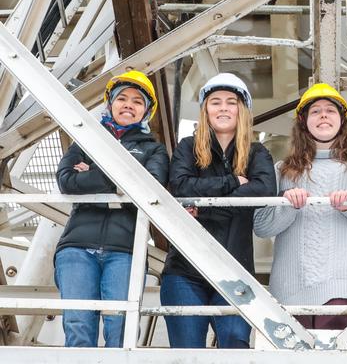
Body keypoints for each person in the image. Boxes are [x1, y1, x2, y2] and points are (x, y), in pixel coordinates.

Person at [254, 83, 347, 330]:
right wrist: (289, 206)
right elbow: (261, 226)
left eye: (330, 110)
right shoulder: (281, 170)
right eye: (316, 111)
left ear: (342, 121)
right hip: (291, 286)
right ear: (303, 121)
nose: (323, 115)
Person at [160, 73, 276, 348]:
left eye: (231, 102)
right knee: (188, 353)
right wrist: (233, 181)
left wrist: (208, 206)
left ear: (242, 110)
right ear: (205, 110)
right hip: (185, 271)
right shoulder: (187, 148)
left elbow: (264, 190)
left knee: (236, 344)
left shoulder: (257, 152)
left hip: (235, 269)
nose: (223, 108)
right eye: (215, 102)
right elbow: (180, 187)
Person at [55, 71, 169, 347]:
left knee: (122, 328)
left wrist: (92, 172)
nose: (129, 104)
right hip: (76, 248)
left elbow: (149, 187)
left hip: (125, 249)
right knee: (78, 325)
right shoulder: (86, 140)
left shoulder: (155, 151)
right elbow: (66, 181)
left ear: (146, 111)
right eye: (122, 98)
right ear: (110, 103)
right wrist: (122, 177)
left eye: (137, 101)